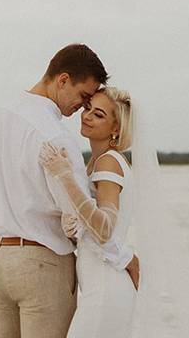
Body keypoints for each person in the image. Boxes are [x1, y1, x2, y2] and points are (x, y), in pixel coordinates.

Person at [0, 44, 137, 338]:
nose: (80, 109)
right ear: (62, 80)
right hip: (42, 264)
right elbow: (80, 215)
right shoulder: (54, 134)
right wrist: (125, 258)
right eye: (84, 97)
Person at [38, 86, 139, 338]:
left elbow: (104, 229)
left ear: (116, 129)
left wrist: (65, 177)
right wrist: (71, 223)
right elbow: (95, 231)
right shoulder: (94, 163)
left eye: (99, 114)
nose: (87, 116)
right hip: (99, 287)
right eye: (88, 109)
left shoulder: (109, 162)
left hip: (106, 290)